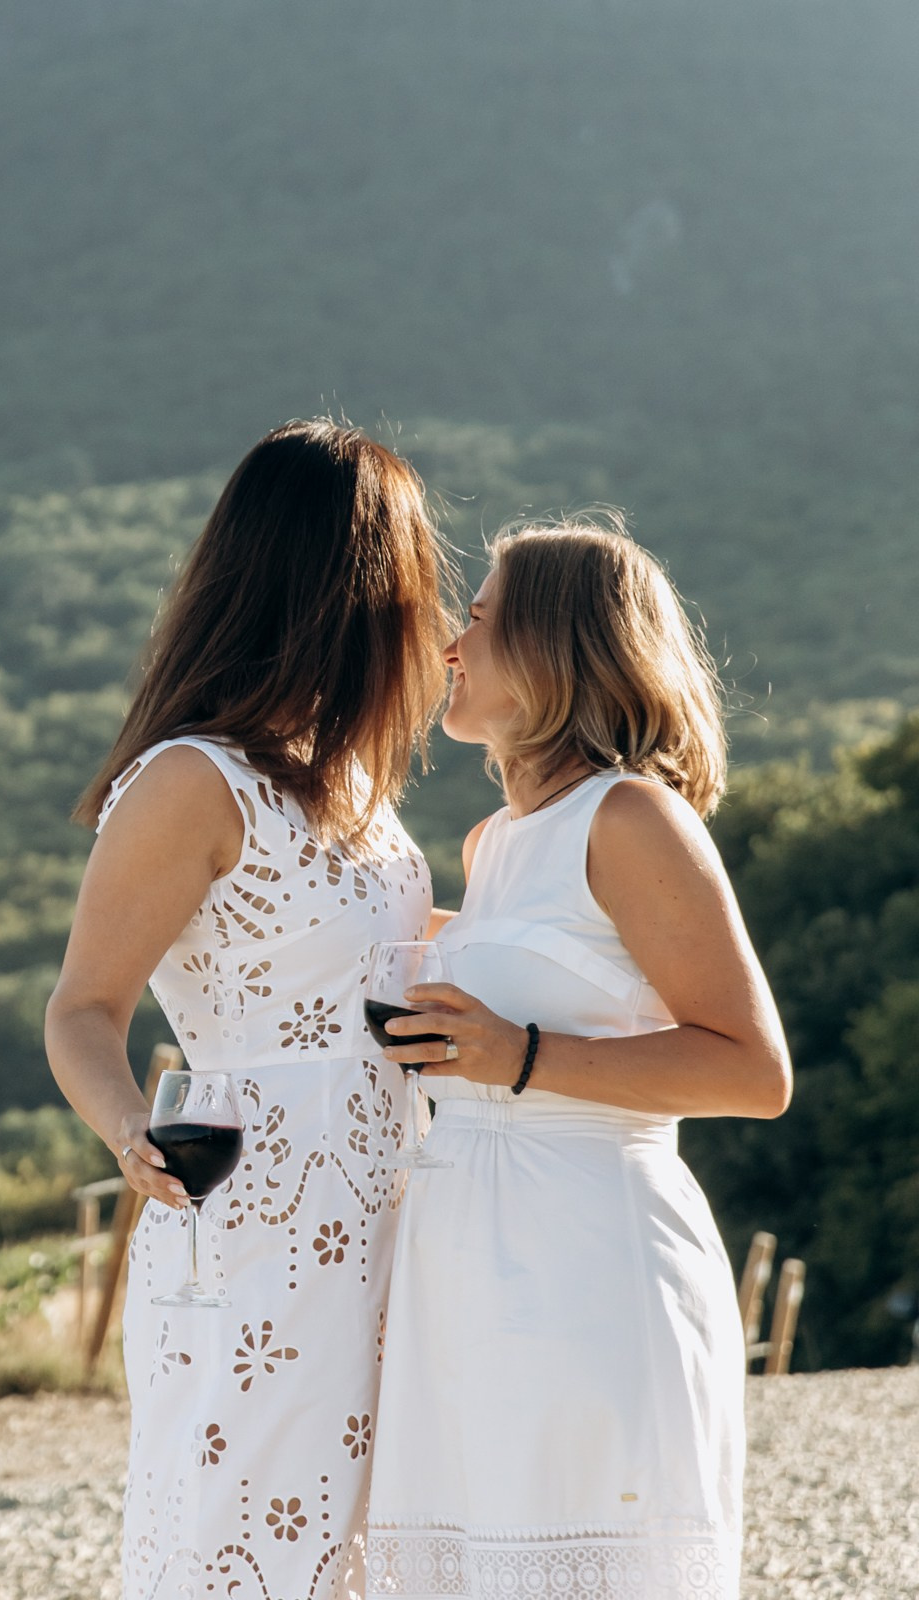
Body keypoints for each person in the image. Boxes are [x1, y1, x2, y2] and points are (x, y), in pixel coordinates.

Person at [47, 418, 453, 1600]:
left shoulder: (358, 787)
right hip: (253, 1222)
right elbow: (82, 1007)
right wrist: (130, 1133)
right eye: (413, 588)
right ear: (349, 589)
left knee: (374, 1547)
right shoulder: (191, 780)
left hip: (393, 1211)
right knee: (245, 1546)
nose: (427, 625)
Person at [365, 517, 791, 1599]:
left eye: (477, 619)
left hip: (592, 1266)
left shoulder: (632, 817)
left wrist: (521, 1054)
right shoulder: (489, 843)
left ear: (555, 649)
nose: (450, 648)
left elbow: (752, 1068)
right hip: (459, 1277)